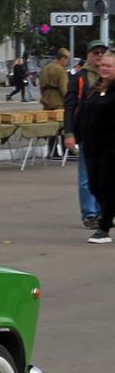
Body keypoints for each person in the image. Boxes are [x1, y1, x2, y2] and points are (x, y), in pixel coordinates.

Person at [72, 51, 115, 243]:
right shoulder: (96, 87)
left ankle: (104, 227)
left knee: (106, 185)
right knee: (94, 186)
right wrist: (74, 134)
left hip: (112, 146)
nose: (104, 68)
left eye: (109, 66)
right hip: (91, 144)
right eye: (102, 65)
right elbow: (83, 112)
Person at [65, 40, 106, 230]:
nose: (98, 56)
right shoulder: (80, 77)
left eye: (102, 52)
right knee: (87, 175)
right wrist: (69, 133)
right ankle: (89, 214)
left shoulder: (110, 76)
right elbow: (70, 106)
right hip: (88, 134)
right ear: (88, 56)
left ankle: (102, 211)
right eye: (95, 52)